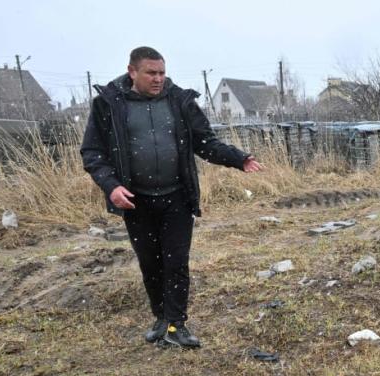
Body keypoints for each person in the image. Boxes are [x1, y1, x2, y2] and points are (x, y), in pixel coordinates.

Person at [81, 46, 262, 348]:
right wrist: (111, 186)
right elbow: (92, 153)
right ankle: (161, 319)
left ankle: (177, 325)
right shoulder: (109, 105)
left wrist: (238, 158)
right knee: (150, 263)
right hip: (135, 200)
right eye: (151, 73)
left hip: (176, 197)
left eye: (162, 72)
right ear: (132, 72)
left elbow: (206, 141)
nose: (158, 79)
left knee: (176, 261)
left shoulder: (179, 101)